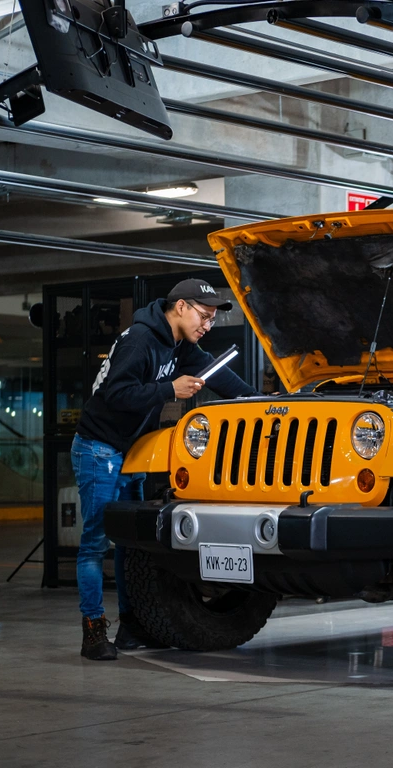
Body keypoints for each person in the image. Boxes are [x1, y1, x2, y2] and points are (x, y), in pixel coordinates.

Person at [72, 279, 257, 661]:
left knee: (132, 542)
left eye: (211, 320)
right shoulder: (141, 340)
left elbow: (215, 372)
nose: (206, 326)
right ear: (181, 307)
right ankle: (93, 632)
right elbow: (115, 394)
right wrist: (169, 390)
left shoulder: (180, 345)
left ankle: (133, 625)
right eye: (204, 316)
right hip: (98, 448)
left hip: (132, 450)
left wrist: (256, 399)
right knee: (94, 543)